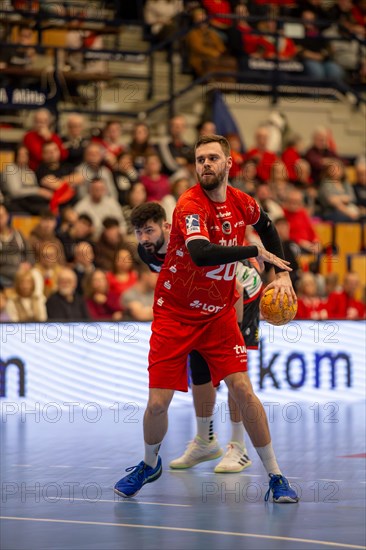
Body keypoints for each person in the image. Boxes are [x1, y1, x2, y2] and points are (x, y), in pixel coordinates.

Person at [114, 134, 299, 503]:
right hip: (174, 315)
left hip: (217, 315)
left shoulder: (241, 202)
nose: (206, 165)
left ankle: (276, 476)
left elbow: (266, 225)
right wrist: (254, 252)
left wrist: (282, 274)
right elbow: (200, 253)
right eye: (200, 160)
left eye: (213, 158)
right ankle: (150, 463)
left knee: (243, 389)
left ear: (229, 163)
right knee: (156, 404)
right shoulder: (189, 205)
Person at [130, 201, 260, 472]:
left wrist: (229, 329)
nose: (144, 238)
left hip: (240, 292)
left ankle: (238, 446)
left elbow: (231, 282)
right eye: (139, 232)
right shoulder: (146, 253)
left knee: (232, 376)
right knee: (199, 369)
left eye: (149, 231)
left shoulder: (188, 247)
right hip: (203, 301)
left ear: (166, 227)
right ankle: (206, 440)